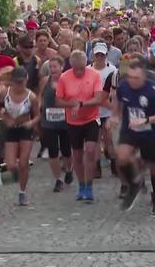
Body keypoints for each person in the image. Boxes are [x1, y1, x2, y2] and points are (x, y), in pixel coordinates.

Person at [109, 59, 155, 214]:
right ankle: (134, 184)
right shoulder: (123, 86)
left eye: (136, 78)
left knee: (154, 165)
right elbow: (117, 98)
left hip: (151, 131)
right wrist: (115, 115)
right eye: (130, 77)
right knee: (121, 157)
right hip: (130, 129)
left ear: (143, 76)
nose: (132, 81)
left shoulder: (153, 90)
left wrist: (147, 119)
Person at [56, 50, 105, 201]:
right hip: (73, 121)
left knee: (90, 151)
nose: (78, 71)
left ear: (86, 65)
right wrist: (71, 105)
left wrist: (81, 104)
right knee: (76, 156)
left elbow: (98, 99)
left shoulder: (94, 75)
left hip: (91, 118)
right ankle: (82, 185)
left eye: (81, 68)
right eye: (76, 69)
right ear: (71, 66)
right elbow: (58, 101)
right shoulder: (64, 77)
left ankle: (89, 186)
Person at [0, 67, 40, 206]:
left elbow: (38, 116)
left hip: (24, 130)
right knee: (10, 164)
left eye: (22, 82)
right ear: (12, 81)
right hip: (11, 130)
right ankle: (15, 173)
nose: (19, 85)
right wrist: (5, 118)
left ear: (26, 80)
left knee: (23, 163)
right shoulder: (5, 93)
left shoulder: (32, 97)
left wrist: (31, 123)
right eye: (17, 82)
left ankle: (22, 192)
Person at [38, 56, 73, 191]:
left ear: (61, 67)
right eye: (50, 67)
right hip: (49, 121)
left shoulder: (68, 81)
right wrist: (41, 106)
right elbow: (41, 95)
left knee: (66, 151)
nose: (52, 69)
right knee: (52, 151)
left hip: (65, 121)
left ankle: (69, 169)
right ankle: (58, 180)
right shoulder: (45, 81)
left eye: (55, 66)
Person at [91, 42, 118, 179]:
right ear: (94, 55)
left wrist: (112, 107)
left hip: (107, 110)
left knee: (109, 140)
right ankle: (96, 167)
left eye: (102, 54)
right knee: (95, 140)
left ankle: (115, 165)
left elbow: (112, 92)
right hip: (93, 111)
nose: (100, 57)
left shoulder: (112, 70)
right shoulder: (89, 69)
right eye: (98, 55)